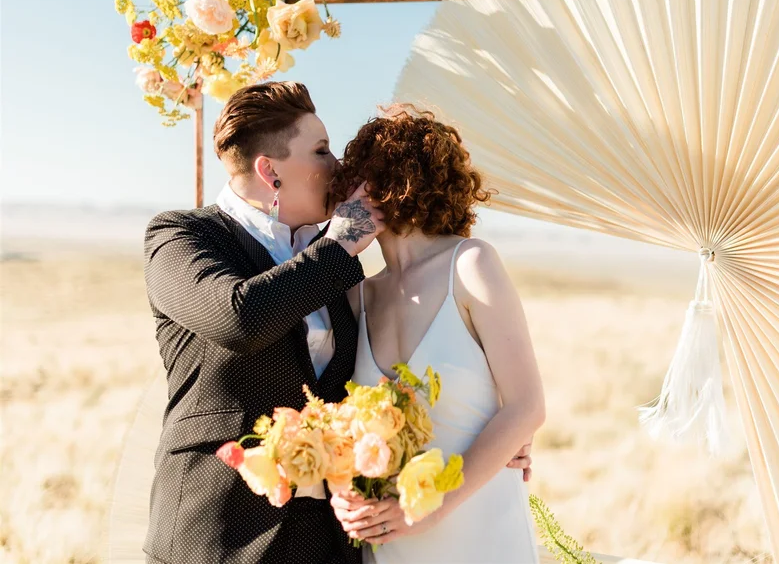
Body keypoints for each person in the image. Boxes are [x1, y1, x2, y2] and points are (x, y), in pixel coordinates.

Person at [142, 82, 532, 564]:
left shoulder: (341, 272)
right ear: (269, 171)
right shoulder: (182, 236)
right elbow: (240, 318)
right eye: (322, 151)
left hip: (333, 542)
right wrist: (341, 242)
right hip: (218, 537)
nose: (337, 167)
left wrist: (492, 427)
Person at [330, 104, 545, 564]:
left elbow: (527, 406)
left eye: (356, 178)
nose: (341, 193)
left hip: (479, 532)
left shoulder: (471, 264)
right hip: (389, 541)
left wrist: (430, 510)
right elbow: (342, 425)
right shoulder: (357, 296)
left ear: (389, 182)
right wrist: (341, 491)